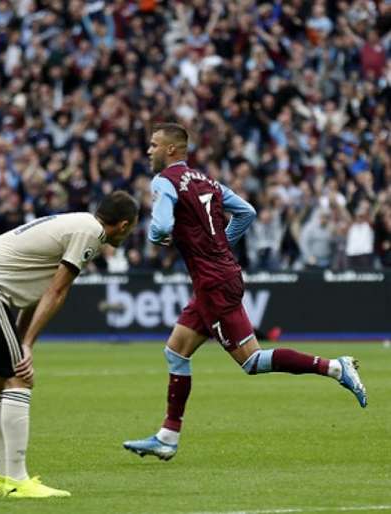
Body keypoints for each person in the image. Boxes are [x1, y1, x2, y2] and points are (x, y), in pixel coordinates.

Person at [122, 123, 367, 461]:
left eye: (153, 145)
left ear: (171, 150)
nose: (148, 151)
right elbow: (247, 212)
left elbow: (161, 225)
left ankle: (335, 368)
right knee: (176, 352)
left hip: (213, 284)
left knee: (251, 361)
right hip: (218, 275)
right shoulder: (207, 181)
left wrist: (154, 237)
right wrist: (220, 243)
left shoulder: (164, 181)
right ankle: (167, 436)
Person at [0, 191, 139, 498]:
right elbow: (56, 291)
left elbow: (36, 294)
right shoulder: (90, 233)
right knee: (19, 378)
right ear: (125, 225)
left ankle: (2, 479)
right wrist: (28, 346)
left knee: (1, 380)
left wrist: (24, 340)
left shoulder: (77, 223)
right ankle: (18, 480)